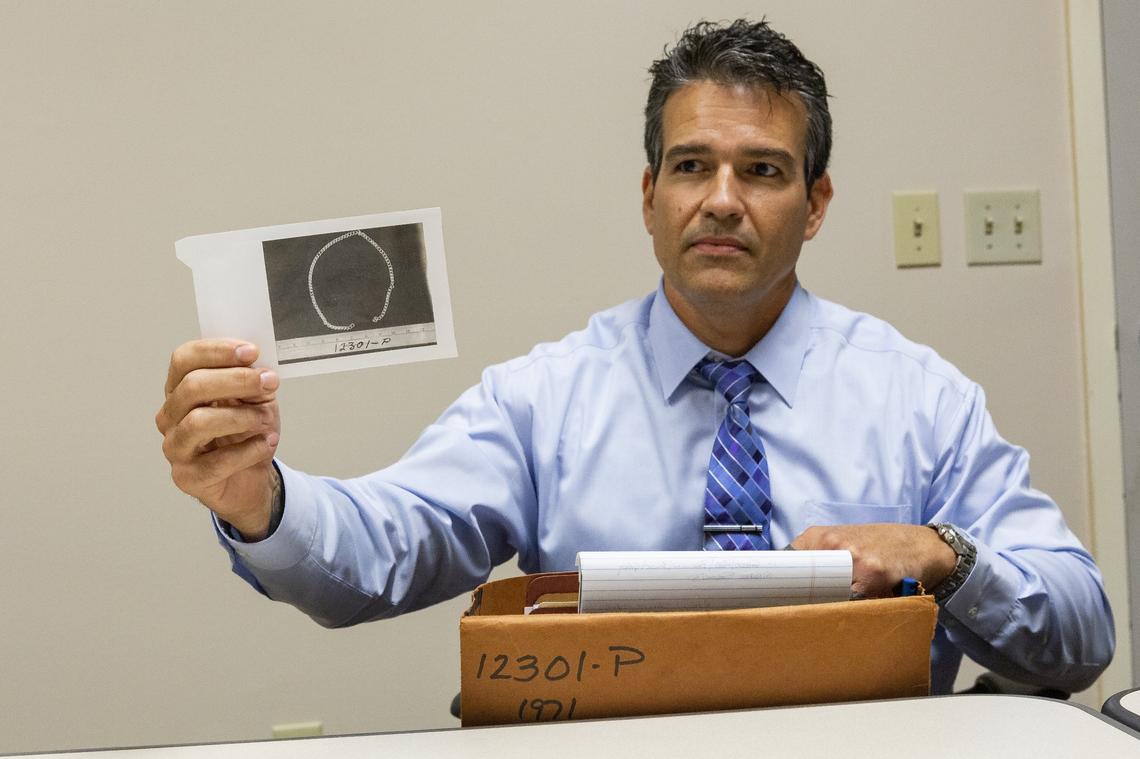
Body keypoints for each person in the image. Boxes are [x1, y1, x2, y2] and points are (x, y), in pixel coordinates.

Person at [155, 19, 1113, 695]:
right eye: (693, 165)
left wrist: (948, 554)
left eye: (764, 170)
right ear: (650, 193)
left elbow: (1081, 634)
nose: (724, 199)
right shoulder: (547, 399)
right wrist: (259, 498)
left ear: (816, 204)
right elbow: (380, 550)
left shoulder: (920, 400)